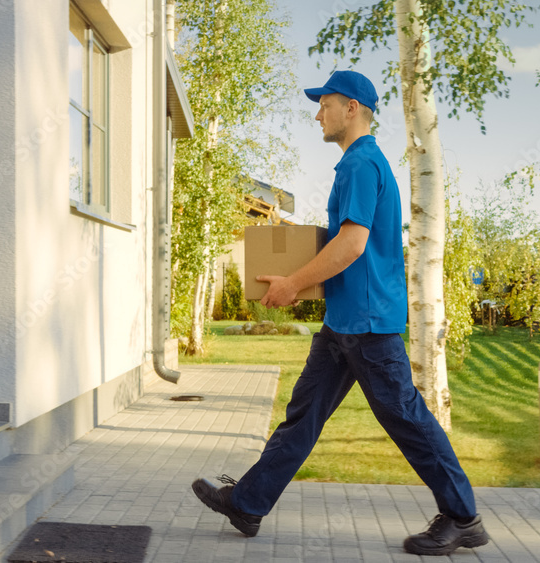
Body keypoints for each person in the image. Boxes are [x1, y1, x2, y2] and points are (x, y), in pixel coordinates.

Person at [191, 70, 488, 557]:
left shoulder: (360, 163)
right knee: (303, 417)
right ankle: (248, 503)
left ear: (351, 108)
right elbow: (344, 244)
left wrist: (292, 283)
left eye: (324, 104)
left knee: (407, 421)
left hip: (368, 325)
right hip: (345, 322)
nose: (317, 114)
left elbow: (352, 245)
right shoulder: (362, 164)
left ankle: (463, 517)